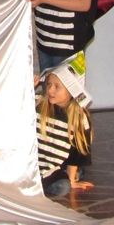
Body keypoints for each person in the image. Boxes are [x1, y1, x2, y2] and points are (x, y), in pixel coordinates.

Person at [36, 52, 94, 195]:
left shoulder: (79, 119)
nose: (50, 90)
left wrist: (71, 179)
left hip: (53, 168)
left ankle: (50, 181)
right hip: (32, 164)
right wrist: (27, 89)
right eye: (49, 84)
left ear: (71, 91)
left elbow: (77, 152)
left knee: (64, 186)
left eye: (57, 86)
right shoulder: (37, 103)